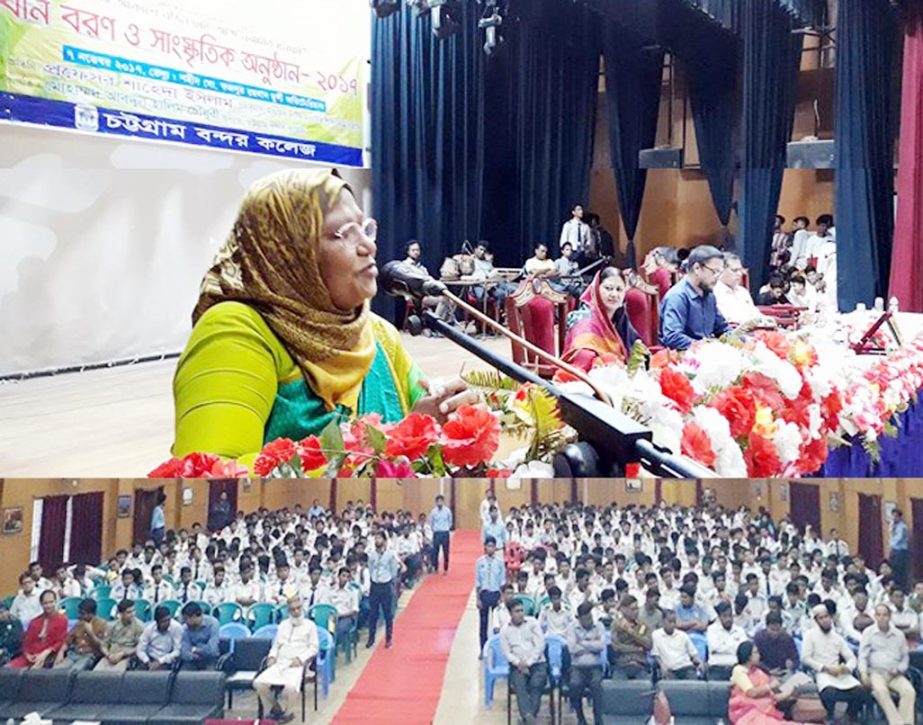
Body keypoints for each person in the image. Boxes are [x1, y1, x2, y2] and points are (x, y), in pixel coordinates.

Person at [172, 169, 476, 462]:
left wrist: (448, 415)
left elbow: (422, 418)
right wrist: (398, 441)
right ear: (288, 252)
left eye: (365, 229)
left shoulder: (376, 335)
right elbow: (211, 485)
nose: (369, 245)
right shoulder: (235, 333)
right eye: (342, 234)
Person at [253, 595, 319, 724]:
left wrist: (301, 659)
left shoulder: (310, 625)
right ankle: (275, 708)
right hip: (280, 663)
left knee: (290, 688)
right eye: (293, 609)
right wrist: (272, 657)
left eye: (298, 608)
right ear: (289, 611)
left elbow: (314, 648)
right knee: (258, 683)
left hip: (297, 665)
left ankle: (288, 713)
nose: (296, 612)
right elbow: (276, 645)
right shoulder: (283, 625)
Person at [563, 267, 641, 371]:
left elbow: (638, 351)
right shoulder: (585, 321)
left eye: (619, 289)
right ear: (596, 289)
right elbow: (582, 357)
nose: (614, 294)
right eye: (608, 288)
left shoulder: (621, 320)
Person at [801, 603, 866, 723]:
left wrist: (846, 668)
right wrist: (824, 668)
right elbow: (805, 658)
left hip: (840, 673)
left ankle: (849, 716)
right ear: (816, 620)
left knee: (861, 691)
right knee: (829, 693)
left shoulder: (837, 637)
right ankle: (830, 718)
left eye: (827, 617)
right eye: (821, 618)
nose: (825, 620)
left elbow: (852, 658)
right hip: (823, 673)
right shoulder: (810, 636)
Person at [659, 245, 731, 350]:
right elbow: (673, 337)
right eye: (714, 271)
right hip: (682, 359)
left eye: (719, 273)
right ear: (697, 268)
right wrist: (705, 347)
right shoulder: (677, 297)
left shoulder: (709, 296)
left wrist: (739, 339)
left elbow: (722, 328)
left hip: (706, 354)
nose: (717, 277)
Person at [859, 604, 916, 725]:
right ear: (875, 616)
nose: (881, 618)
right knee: (881, 691)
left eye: (885, 615)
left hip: (895, 673)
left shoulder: (899, 634)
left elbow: (905, 657)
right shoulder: (868, 633)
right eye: (878, 615)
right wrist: (863, 673)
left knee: (909, 691)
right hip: (876, 673)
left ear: (890, 617)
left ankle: (907, 722)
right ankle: (898, 723)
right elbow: (862, 656)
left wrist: (900, 669)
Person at [499, 600, 548, 725]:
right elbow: (507, 653)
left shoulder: (533, 623)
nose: (521, 614)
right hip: (517, 666)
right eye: (517, 611)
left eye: (522, 610)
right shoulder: (505, 630)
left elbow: (540, 645)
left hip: (537, 663)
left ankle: (526, 719)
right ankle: (529, 718)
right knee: (519, 685)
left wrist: (529, 662)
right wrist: (518, 663)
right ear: (510, 613)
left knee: (536, 683)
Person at [728, 641, 797, 724]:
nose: (759, 656)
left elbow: (772, 698)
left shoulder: (758, 672)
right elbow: (751, 692)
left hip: (763, 712)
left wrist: (789, 692)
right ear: (748, 656)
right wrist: (770, 686)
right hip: (747, 714)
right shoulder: (739, 670)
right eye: (756, 652)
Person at [565, 601, 606, 725]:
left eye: (591, 617)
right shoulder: (572, 627)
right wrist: (592, 645)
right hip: (577, 667)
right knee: (575, 684)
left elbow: (601, 646)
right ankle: (580, 717)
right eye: (586, 618)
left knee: (597, 686)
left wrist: (582, 642)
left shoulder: (599, 626)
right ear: (580, 619)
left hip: (595, 667)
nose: (590, 620)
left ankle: (598, 719)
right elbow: (572, 649)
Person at [7, 590, 68, 668]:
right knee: (6, 669)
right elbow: (26, 643)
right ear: (41, 604)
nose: (49, 605)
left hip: (49, 656)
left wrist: (46, 652)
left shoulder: (62, 619)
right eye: (45, 603)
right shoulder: (34, 622)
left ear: (56, 602)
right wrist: (27, 655)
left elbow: (60, 641)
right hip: (30, 656)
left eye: (51, 602)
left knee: (34, 672)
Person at [367, 530, 401, 649]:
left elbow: (394, 571)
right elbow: (370, 568)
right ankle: (371, 639)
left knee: (388, 614)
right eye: (375, 538)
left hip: (386, 585)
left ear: (385, 541)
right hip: (375, 585)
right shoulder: (371, 555)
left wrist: (389, 581)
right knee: (373, 614)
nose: (377, 541)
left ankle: (389, 639)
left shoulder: (390, 555)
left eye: (379, 538)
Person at [713, 253, 766, 326]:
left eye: (740, 270)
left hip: (755, 329)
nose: (739, 274)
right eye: (734, 270)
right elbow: (727, 319)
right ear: (721, 270)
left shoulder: (743, 291)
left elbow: (755, 313)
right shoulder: (714, 292)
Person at [54, 598, 106, 671]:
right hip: (74, 654)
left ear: (91, 614)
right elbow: (67, 641)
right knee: (56, 669)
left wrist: (90, 633)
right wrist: (61, 652)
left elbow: (101, 646)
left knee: (74, 671)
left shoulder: (101, 624)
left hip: (89, 655)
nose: (80, 615)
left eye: (83, 613)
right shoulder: (79, 624)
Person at [652, 609, 704, 680]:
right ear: (663, 621)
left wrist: (700, 662)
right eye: (670, 622)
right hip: (669, 669)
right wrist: (662, 665)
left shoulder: (683, 635)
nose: (672, 624)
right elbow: (656, 655)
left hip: (685, 667)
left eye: (674, 622)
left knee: (693, 680)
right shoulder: (656, 635)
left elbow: (693, 654)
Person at [610, 594, 652, 680]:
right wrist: (636, 649)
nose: (636, 611)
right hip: (622, 664)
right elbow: (616, 647)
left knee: (645, 684)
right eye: (633, 609)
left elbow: (647, 645)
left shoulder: (642, 625)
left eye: (637, 608)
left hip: (640, 664)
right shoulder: (616, 625)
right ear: (624, 610)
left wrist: (630, 631)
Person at [94, 599, 144, 672]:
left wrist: (122, 654)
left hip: (127, 656)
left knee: (116, 676)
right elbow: (103, 645)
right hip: (110, 655)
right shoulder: (111, 625)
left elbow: (140, 647)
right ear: (121, 614)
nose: (133, 614)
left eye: (134, 611)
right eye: (129, 612)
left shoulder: (139, 626)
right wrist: (108, 655)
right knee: (96, 674)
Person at [476, 536, 506, 653]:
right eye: (488, 546)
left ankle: (496, 649)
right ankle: (483, 649)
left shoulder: (499, 563)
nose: (490, 548)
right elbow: (477, 582)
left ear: (495, 548)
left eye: (492, 546)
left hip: (496, 595)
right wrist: (478, 599)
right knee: (483, 623)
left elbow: (502, 582)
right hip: (484, 594)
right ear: (485, 547)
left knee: (496, 624)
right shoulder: (479, 562)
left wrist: (501, 598)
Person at [707, 601, 749, 681]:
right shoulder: (711, 629)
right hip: (717, 667)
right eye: (724, 616)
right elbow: (714, 647)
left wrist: (722, 647)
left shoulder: (740, 630)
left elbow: (744, 650)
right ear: (719, 617)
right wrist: (734, 648)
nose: (728, 619)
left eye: (730, 616)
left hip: (736, 668)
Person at [136, 605, 183, 670]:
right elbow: (140, 650)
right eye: (164, 621)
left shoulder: (176, 627)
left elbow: (177, 651)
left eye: (168, 620)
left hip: (166, 660)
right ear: (157, 622)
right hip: (149, 659)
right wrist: (147, 661)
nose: (167, 623)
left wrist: (160, 661)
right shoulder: (149, 629)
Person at [320, 567, 360, 644]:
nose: (345, 579)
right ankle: (329, 648)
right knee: (326, 629)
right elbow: (326, 605)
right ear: (338, 576)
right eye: (343, 576)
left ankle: (334, 647)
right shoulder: (331, 590)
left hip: (346, 617)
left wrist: (341, 615)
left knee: (339, 629)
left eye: (347, 577)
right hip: (332, 617)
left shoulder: (353, 591)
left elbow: (355, 611)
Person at [179, 602, 220, 670]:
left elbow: (213, 650)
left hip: (210, 660)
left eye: (186, 619)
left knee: (210, 676)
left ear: (194, 617)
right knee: (182, 675)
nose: (185, 622)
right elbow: (185, 653)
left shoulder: (213, 624)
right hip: (191, 660)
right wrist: (197, 654)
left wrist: (194, 649)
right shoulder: (185, 628)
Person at [428, 495, 452, 575]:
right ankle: (436, 568)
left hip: (445, 532)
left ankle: (445, 569)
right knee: (435, 552)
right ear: (436, 502)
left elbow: (450, 521)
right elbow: (431, 522)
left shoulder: (447, 511)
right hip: (437, 533)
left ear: (443, 501)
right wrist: (434, 530)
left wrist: (447, 528)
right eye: (438, 501)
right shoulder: (433, 512)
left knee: (446, 552)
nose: (439, 503)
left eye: (441, 501)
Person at [888, 509, 909, 591]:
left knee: (900, 571)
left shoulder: (903, 527)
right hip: (894, 550)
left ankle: (902, 588)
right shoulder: (892, 525)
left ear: (900, 517)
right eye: (893, 516)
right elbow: (890, 536)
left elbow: (899, 538)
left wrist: (892, 546)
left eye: (896, 516)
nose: (894, 518)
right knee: (893, 570)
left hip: (900, 551)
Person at [0, 601, 23, 667]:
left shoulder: (16, 623)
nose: (3, 614)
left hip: (14, 654)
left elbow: (17, 639)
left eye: (4, 611)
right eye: (0, 613)